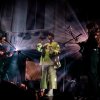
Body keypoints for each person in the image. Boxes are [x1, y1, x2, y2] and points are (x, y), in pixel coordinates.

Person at [84, 22, 100, 98]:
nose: (87, 30)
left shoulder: (95, 34)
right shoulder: (93, 35)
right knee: (91, 74)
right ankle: (92, 93)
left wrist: (85, 44)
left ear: (92, 28)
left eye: (88, 28)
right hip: (91, 55)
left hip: (92, 56)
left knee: (92, 74)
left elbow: (96, 44)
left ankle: (94, 94)